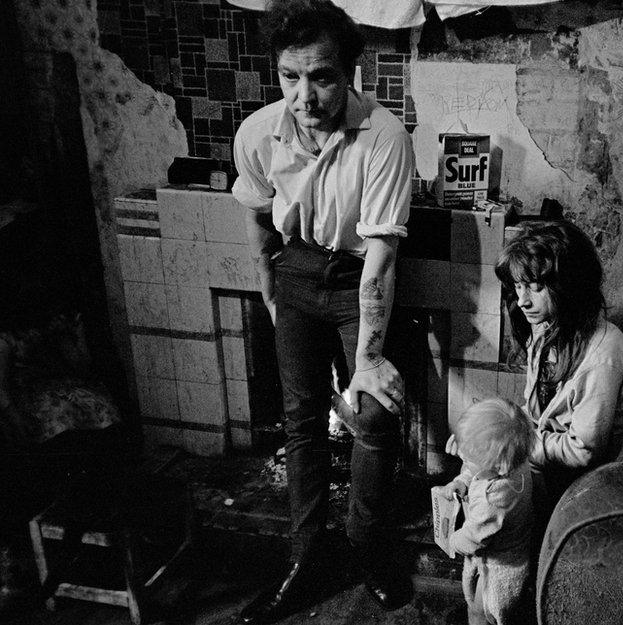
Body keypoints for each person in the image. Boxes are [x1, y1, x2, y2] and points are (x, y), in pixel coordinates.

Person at [231, 0, 414, 622]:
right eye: (290, 76)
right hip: (295, 271)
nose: (304, 95)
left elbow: (383, 254)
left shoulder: (385, 137)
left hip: (358, 275)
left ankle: (367, 550)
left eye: (322, 76)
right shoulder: (259, 133)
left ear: (350, 71)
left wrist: (367, 358)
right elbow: (258, 216)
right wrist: (269, 290)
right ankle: (306, 557)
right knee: (300, 418)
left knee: (373, 414)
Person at [494, 220, 623, 510]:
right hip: (560, 464)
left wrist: (524, 445)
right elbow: (535, 413)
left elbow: (583, 452)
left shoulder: (603, 355)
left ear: (569, 286)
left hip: (611, 482)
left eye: (535, 287)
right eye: (518, 286)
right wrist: (501, 433)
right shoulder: (544, 328)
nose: (522, 300)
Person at [437, 398, 535, 625]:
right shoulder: (515, 460)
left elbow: (473, 539)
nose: (465, 460)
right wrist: (461, 481)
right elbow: (476, 470)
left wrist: (451, 540)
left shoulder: (495, 499)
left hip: (499, 566)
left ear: (499, 466)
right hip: (512, 546)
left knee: (482, 611)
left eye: (469, 458)